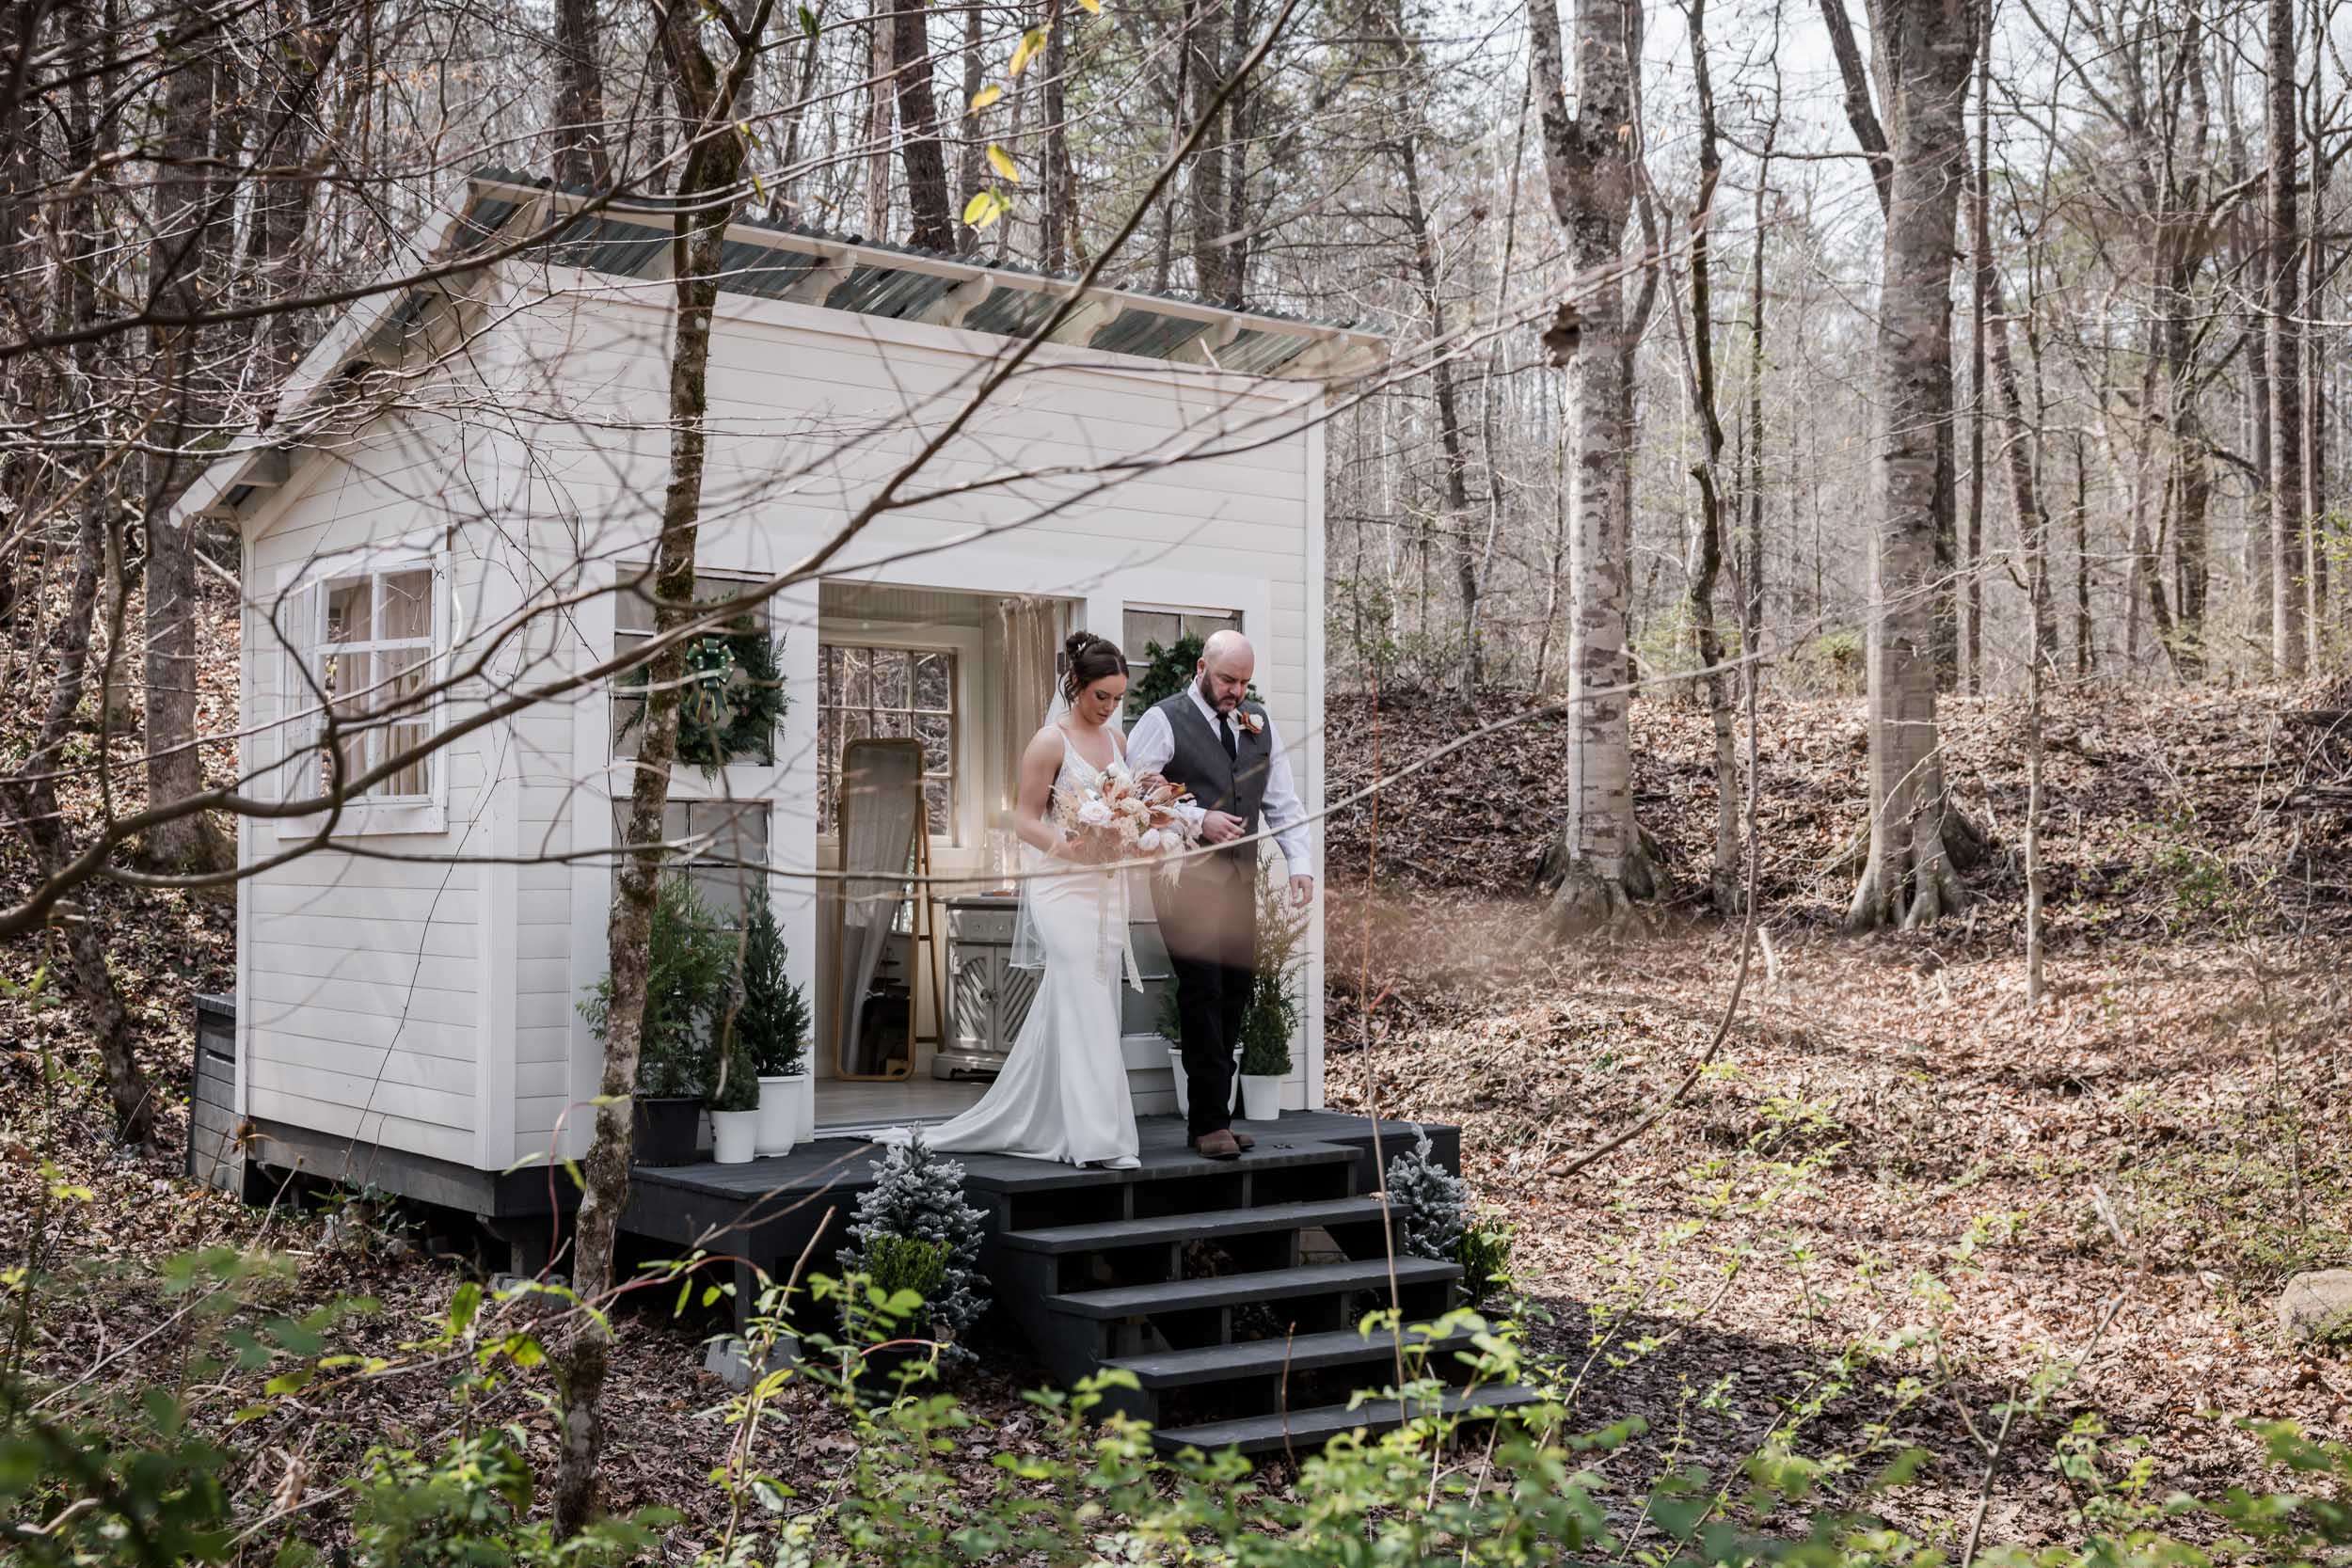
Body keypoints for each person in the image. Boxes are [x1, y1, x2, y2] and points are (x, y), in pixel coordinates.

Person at [879, 632, 1142, 1168]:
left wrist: (1132, 829)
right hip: (1060, 886)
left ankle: (1055, 1116)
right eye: (1102, 697)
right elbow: (1023, 819)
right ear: (1077, 686)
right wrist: (1070, 848)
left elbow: (1127, 806)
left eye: (1118, 699)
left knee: (1088, 999)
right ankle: (1098, 1139)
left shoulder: (1118, 744)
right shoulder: (1050, 741)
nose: (1111, 708)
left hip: (1106, 889)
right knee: (1082, 993)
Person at [1125, 630, 1315, 1161]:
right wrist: (1196, 818)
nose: (1235, 691)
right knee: (1202, 990)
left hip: (1239, 882)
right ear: (1202, 666)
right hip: (1183, 883)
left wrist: (1299, 864)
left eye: (1244, 682)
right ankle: (1207, 1122)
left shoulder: (1258, 723)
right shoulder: (1164, 720)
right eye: (1227, 679)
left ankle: (1220, 1118)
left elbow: (1283, 801)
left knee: (1235, 991)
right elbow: (1133, 795)